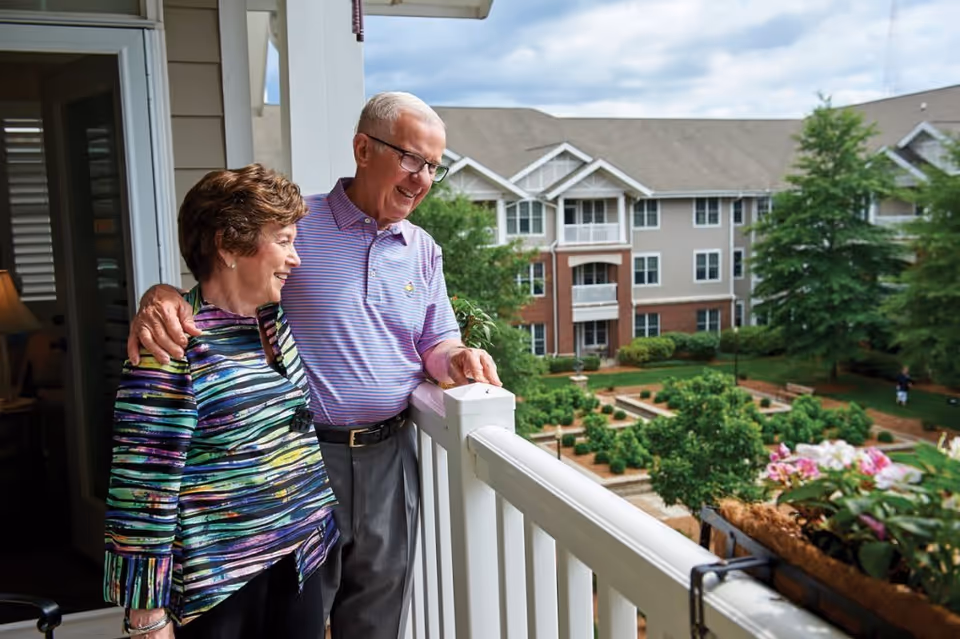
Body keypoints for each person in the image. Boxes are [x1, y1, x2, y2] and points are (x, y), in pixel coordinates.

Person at [125, 92, 501, 639]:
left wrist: (457, 355)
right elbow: (221, 293)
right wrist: (159, 296)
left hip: (390, 458)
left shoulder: (422, 248)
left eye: (433, 168)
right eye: (411, 158)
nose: (421, 179)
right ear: (362, 149)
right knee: (293, 615)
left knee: (376, 616)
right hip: (299, 457)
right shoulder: (297, 226)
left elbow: (435, 341)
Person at [104, 164, 338, 639]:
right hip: (222, 582)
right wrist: (145, 620)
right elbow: (140, 493)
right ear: (229, 245)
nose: (296, 259)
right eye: (284, 240)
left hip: (299, 556)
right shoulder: (170, 347)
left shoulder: (271, 320)